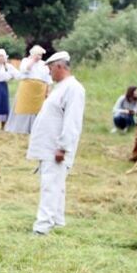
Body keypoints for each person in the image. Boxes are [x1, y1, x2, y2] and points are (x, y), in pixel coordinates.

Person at [27, 51, 85, 235]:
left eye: (50, 68)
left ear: (60, 67)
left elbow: (72, 121)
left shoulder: (74, 88)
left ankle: (42, 227)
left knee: (50, 186)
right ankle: (57, 222)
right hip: (48, 146)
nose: (49, 72)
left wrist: (63, 147)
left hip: (56, 148)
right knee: (56, 186)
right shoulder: (60, 87)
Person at [6, 45, 50, 134]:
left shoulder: (44, 64)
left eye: (40, 55)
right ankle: (21, 128)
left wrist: (48, 91)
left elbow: (47, 78)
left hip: (39, 89)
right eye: (37, 54)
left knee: (38, 109)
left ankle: (35, 128)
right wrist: (32, 60)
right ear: (32, 54)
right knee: (24, 108)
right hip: (27, 88)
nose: (39, 57)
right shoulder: (26, 61)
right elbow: (25, 70)